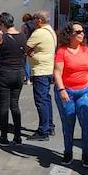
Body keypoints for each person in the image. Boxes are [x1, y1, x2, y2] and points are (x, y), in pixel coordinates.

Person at [54, 22, 88, 166]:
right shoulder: (62, 51)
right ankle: (68, 152)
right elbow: (57, 72)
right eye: (78, 31)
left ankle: (86, 155)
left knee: (87, 124)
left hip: (84, 92)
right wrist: (61, 89)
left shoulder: (86, 50)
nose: (82, 34)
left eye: (82, 31)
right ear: (70, 34)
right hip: (66, 92)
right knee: (68, 123)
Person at [0, 12, 28, 146]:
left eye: (0, 24)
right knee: (15, 105)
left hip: (5, 72)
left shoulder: (2, 37)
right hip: (19, 73)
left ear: (3, 24)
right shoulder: (23, 36)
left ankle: (4, 136)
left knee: (4, 105)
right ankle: (17, 136)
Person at [26, 11, 57, 142]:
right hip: (49, 68)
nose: (33, 22)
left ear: (39, 20)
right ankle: (49, 125)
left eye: (34, 19)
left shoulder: (38, 32)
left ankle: (43, 130)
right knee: (46, 99)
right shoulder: (51, 30)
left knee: (41, 100)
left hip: (40, 70)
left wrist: (30, 54)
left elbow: (26, 47)